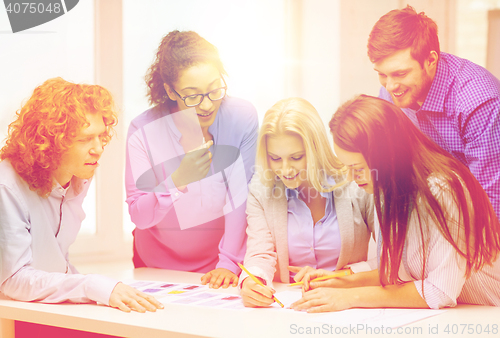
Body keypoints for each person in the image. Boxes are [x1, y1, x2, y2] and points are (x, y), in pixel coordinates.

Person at [291, 95, 500, 313]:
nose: (352, 178)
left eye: (358, 168)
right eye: (347, 167)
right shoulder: (386, 187)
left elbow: (439, 292)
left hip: (490, 313)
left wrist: (348, 297)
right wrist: (339, 280)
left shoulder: (443, 189)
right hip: (460, 314)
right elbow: (398, 268)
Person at [0, 77, 163, 313]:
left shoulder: (76, 175)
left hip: (47, 308)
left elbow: (54, 260)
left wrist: (107, 289)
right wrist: (92, 285)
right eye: (85, 139)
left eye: (100, 136)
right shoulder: (7, 187)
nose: (98, 148)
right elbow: (12, 279)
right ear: (51, 142)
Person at [125, 30, 258, 289]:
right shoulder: (142, 130)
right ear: (170, 91)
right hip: (155, 265)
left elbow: (240, 196)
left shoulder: (241, 118)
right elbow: (139, 216)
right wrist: (176, 180)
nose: (207, 105)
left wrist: (229, 262)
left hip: (218, 266)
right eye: (192, 95)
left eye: (214, 90)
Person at [368, 5, 500, 221]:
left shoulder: (479, 102)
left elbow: (492, 204)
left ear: (431, 61)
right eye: (382, 74)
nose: (390, 86)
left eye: (400, 73)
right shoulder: (393, 89)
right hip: (435, 215)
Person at [240, 97, 375, 308]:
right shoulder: (261, 189)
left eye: (296, 157)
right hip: (290, 308)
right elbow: (260, 253)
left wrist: (343, 276)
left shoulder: (356, 181)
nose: (285, 170)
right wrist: (253, 280)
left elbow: (393, 260)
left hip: (348, 305)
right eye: (275, 158)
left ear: (315, 149)